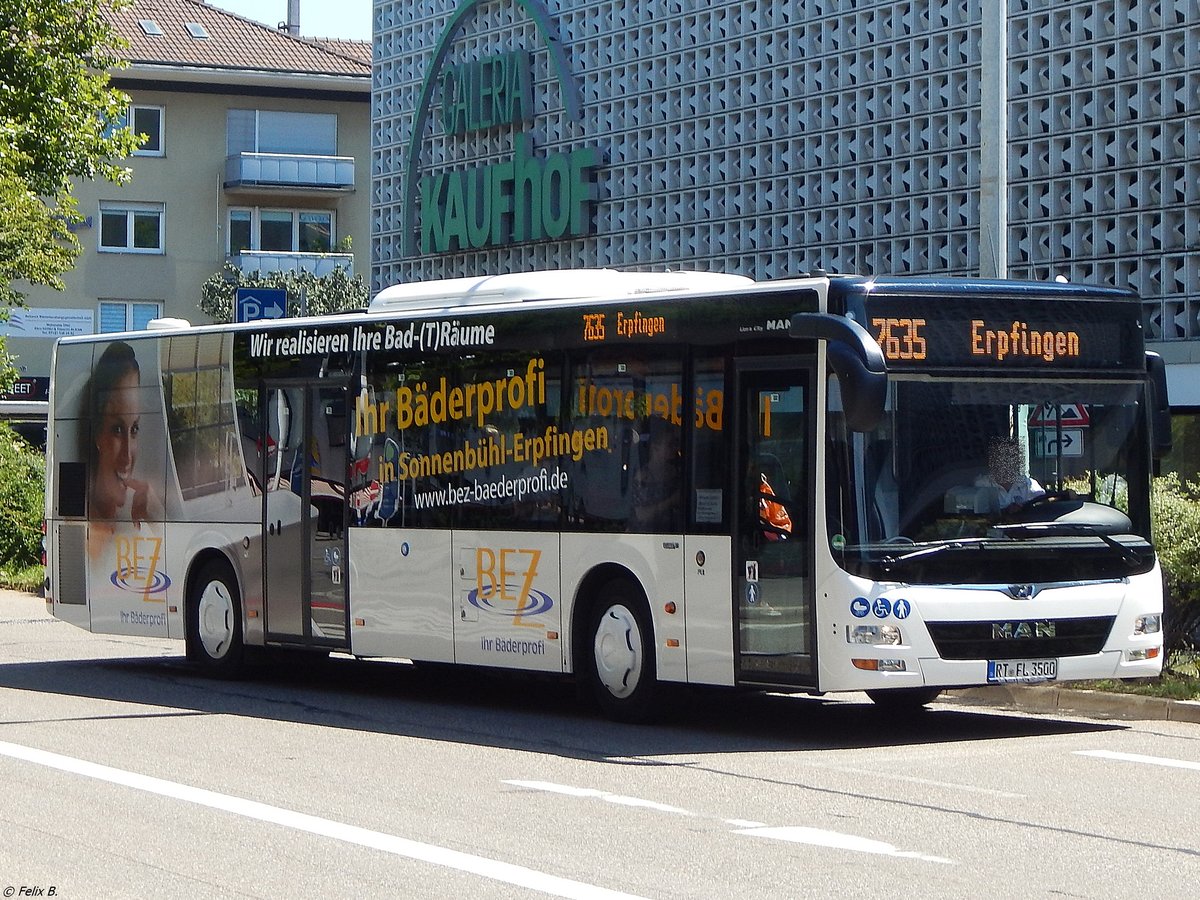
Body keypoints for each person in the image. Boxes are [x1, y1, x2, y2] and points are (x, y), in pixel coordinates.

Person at [84, 341, 159, 527]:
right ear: (97, 433)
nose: (127, 457)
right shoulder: (85, 529)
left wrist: (156, 518)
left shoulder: (138, 524)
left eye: (134, 429)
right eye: (117, 429)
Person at [985, 436, 1044, 514]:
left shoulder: (1028, 484)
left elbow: (1043, 507)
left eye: (1011, 459)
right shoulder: (982, 485)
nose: (1006, 464)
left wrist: (1024, 510)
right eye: (1001, 459)